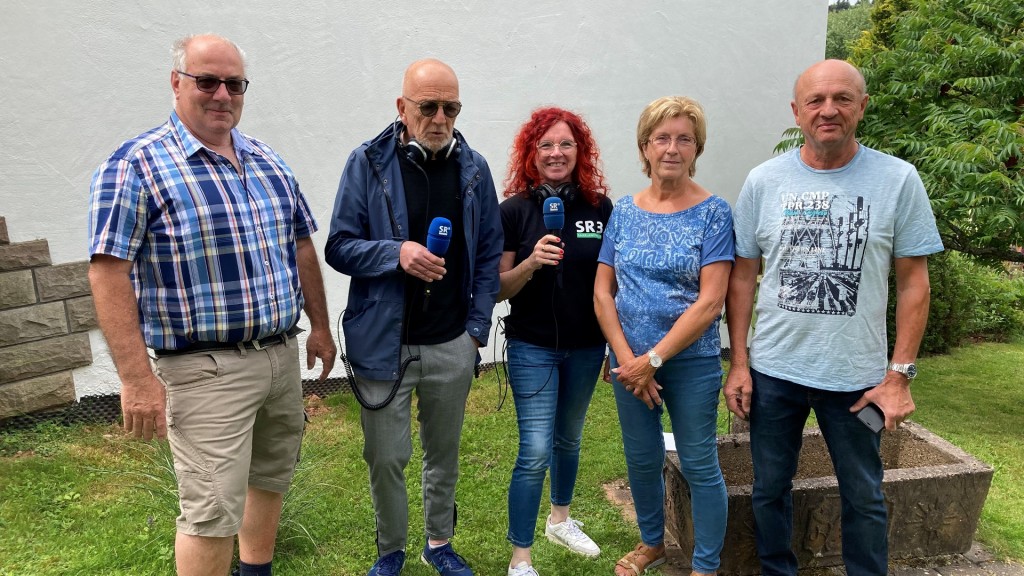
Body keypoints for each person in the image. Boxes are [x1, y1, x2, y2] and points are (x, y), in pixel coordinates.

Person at [87, 34, 336, 576]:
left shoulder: (266, 158)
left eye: (234, 83)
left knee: (269, 477)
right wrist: (134, 378)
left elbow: (299, 245)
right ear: (176, 83)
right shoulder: (136, 165)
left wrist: (319, 325)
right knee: (210, 512)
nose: (222, 93)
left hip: (279, 355)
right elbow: (108, 271)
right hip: (204, 370)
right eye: (208, 81)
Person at [724, 59, 943, 576]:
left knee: (864, 494)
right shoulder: (763, 181)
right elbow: (740, 278)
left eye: (842, 99)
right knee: (769, 488)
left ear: (861, 107)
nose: (829, 110)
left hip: (858, 382)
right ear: (796, 112)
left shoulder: (898, 179)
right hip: (773, 374)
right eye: (816, 101)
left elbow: (915, 283)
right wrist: (739, 363)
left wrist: (899, 377)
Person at [323, 58, 502, 576]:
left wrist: (475, 331)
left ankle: (439, 543)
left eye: (451, 107)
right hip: (384, 343)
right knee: (386, 457)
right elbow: (339, 246)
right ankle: (391, 551)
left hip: (451, 343)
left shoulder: (475, 168)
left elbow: (489, 254)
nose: (441, 118)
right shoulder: (368, 163)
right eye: (428, 106)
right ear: (402, 108)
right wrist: (396, 254)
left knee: (443, 454)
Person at [594, 96, 733, 576]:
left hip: (689, 362)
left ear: (697, 149)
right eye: (662, 138)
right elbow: (603, 292)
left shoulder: (714, 213)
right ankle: (652, 542)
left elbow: (711, 301)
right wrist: (628, 358)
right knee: (641, 456)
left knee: (698, 464)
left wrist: (652, 360)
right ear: (644, 147)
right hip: (629, 361)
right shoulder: (624, 211)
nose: (672, 148)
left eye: (684, 139)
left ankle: (706, 565)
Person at [497, 107, 613, 576]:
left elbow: (612, 283)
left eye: (566, 144)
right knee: (535, 449)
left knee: (569, 438)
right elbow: (496, 288)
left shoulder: (601, 208)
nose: (556, 153)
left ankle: (560, 519)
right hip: (533, 346)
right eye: (545, 145)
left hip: (588, 345)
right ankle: (520, 558)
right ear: (531, 154)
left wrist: (615, 344)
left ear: (579, 152)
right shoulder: (514, 212)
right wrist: (530, 264)